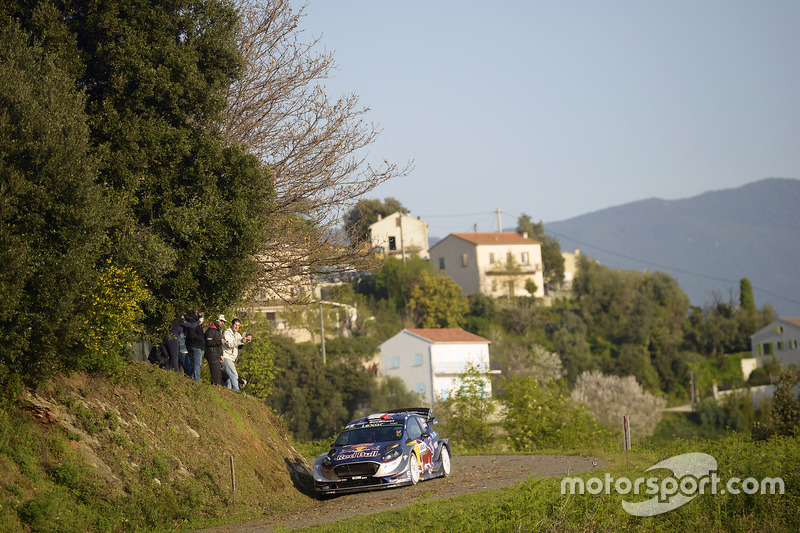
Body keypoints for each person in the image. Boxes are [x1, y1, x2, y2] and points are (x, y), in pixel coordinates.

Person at [221, 318, 251, 392]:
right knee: (234, 375)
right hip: (226, 356)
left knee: (231, 376)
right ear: (231, 324)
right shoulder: (227, 333)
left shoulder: (237, 334)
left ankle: (225, 390)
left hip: (231, 358)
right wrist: (241, 341)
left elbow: (240, 343)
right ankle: (237, 391)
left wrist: (246, 340)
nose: (237, 327)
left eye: (238, 326)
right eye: (235, 325)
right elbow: (229, 344)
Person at [204, 315, 227, 385]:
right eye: (221, 321)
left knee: (218, 372)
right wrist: (219, 342)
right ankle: (215, 386)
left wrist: (221, 354)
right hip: (211, 354)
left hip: (216, 354)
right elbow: (208, 342)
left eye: (223, 321)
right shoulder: (211, 330)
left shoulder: (218, 330)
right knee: (215, 372)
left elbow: (220, 345)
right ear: (217, 321)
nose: (222, 323)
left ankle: (217, 387)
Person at [184, 311, 206, 381]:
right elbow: (191, 333)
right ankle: (197, 380)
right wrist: (200, 339)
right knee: (196, 364)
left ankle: (193, 379)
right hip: (195, 344)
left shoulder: (197, 319)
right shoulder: (192, 320)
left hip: (198, 345)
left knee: (197, 363)